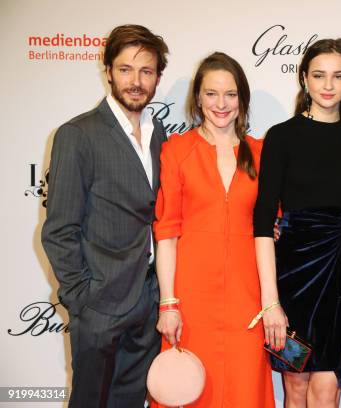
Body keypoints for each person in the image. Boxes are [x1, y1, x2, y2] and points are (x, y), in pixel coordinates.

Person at [41, 24, 169, 407]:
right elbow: (59, 229)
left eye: (146, 71)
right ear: (108, 70)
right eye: (126, 69)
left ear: (157, 77)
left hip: (148, 301)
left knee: (131, 401)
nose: (136, 81)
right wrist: (83, 299)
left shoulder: (159, 132)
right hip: (99, 304)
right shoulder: (78, 134)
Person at [152, 52, 275, 407]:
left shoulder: (261, 152)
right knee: (190, 391)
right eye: (211, 94)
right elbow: (167, 234)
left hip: (248, 300)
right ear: (197, 97)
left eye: (231, 94)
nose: (221, 104)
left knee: (244, 389)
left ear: (242, 99)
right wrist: (168, 304)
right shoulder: (177, 150)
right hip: (191, 298)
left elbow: (271, 225)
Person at [253, 38, 341, 407]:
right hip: (293, 282)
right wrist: (271, 301)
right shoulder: (282, 137)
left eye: (338, 76)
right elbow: (262, 218)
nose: (328, 85)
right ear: (304, 78)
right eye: (319, 75)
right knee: (296, 386)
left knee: (326, 388)